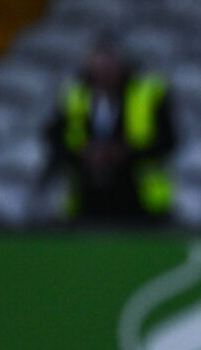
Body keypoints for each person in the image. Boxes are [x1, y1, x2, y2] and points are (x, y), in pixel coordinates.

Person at [45, 39, 177, 222]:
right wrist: (85, 153)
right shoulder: (75, 95)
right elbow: (55, 138)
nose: (105, 74)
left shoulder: (147, 93)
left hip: (139, 197)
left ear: (123, 66)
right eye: (99, 68)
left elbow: (168, 140)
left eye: (110, 67)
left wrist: (124, 152)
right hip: (86, 196)